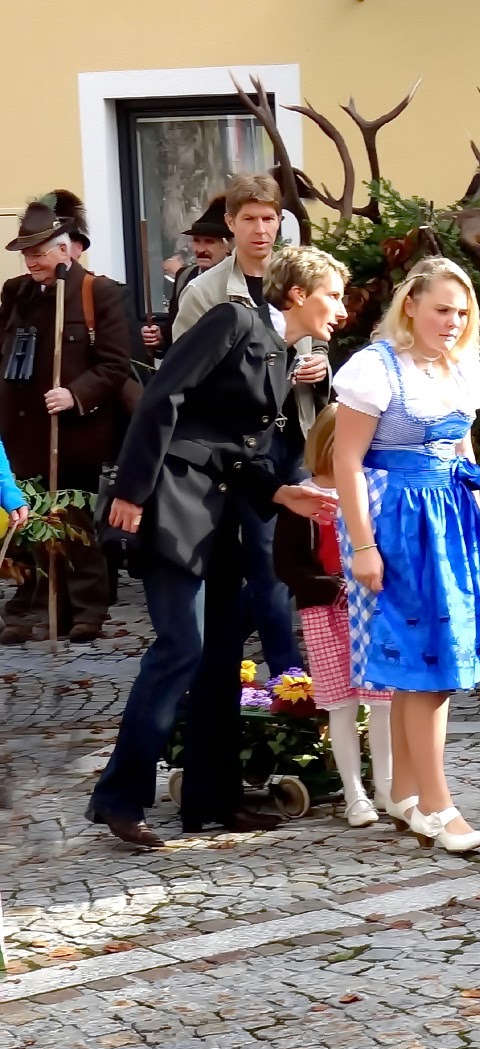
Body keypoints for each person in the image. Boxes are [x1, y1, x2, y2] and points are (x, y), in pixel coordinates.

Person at [85, 247, 346, 849]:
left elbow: (234, 452)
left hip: (221, 516)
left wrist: (281, 493)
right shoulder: (233, 321)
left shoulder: (283, 356)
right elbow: (163, 395)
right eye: (332, 295)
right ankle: (119, 797)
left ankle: (212, 801)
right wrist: (131, 491)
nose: (340, 309)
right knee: (182, 646)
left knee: (223, 653)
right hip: (171, 501)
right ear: (299, 293)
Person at [332, 256, 480, 854]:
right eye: (441, 309)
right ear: (410, 305)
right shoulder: (375, 368)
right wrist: (364, 546)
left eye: (461, 313)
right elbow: (346, 462)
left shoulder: (462, 370)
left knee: (428, 660)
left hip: (449, 519)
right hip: (398, 519)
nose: (452, 322)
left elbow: (461, 446)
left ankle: (405, 793)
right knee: (429, 667)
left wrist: (471, 518)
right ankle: (438, 806)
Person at [174, 173, 327, 679]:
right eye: (249, 219)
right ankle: (287, 675)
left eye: (269, 219)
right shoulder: (206, 292)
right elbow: (182, 375)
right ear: (230, 224)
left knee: (303, 550)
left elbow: (319, 338)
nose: (261, 230)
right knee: (266, 556)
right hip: (243, 445)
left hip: (297, 433)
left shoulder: (297, 275)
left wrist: (320, 365)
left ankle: (223, 646)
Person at [0, 190, 131, 644]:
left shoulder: (98, 292)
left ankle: (86, 608)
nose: (31, 261)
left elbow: (115, 364)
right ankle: (32, 606)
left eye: (38, 253)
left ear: (64, 249)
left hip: (74, 432)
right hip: (22, 428)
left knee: (72, 520)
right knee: (27, 521)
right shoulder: (16, 292)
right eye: (26, 254)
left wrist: (75, 394)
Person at [274, 404, 395, 827]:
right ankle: (354, 792)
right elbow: (286, 565)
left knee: (383, 703)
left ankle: (387, 785)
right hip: (325, 613)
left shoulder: (373, 490)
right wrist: (328, 587)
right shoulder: (302, 498)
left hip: (373, 610)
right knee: (341, 706)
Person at [139, 196, 233, 358]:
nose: (200, 249)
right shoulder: (185, 276)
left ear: (228, 246)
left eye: (209, 242)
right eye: (197, 241)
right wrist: (160, 339)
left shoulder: (237, 279)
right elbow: (175, 332)